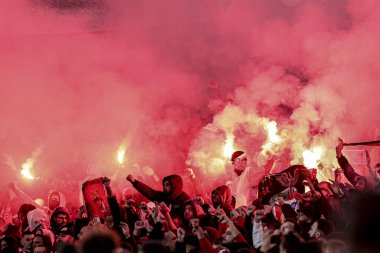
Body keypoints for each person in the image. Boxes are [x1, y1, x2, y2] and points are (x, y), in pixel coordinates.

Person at [126, 173, 191, 216]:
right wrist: (134, 182)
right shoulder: (163, 196)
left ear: (175, 185)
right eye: (164, 185)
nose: (164, 187)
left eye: (167, 185)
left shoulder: (185, 200)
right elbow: (149, 192)